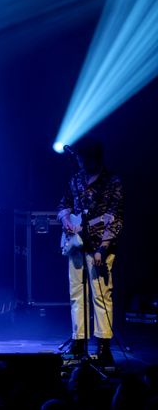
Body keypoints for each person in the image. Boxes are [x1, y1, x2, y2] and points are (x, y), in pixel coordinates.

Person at [58, 137, 123, 362]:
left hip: (98, 245)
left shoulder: (111, 181)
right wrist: (66, 218)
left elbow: (114, 218)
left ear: (94, 157)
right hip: (75, 243)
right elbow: (64, 204)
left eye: (84, 157)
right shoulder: (75, 180)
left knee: (101, 294)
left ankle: (104, 346)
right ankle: (79, 341)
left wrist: (103, 249)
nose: (80, 161)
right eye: (78, 158)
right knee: (77, 294)